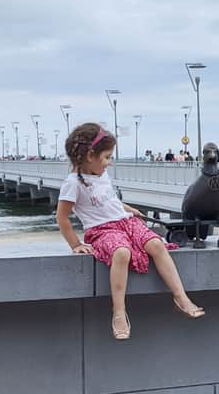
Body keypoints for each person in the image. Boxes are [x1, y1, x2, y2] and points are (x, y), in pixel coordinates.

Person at [56, 123, 205, 341]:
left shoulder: (101, 174)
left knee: (155, 244)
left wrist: (129, 210)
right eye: (106, 157)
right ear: (90, 156)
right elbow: (62, 217)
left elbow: (110, 202)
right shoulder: (73, 184)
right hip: (101, 230)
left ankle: (180, 297)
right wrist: (76, 244)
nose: (109, 162)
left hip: (124, 221)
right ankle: (119, 312)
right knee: (122, 252)